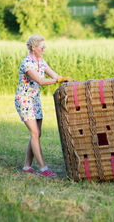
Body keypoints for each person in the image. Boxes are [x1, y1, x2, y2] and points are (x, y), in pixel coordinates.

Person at [15, 34, 72, 178]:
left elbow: (54, 75)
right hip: (24, 100)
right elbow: (40, 80)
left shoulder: (41, 61)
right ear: (34, 48)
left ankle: (27, 167)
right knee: (35, 134)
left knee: (37, 134)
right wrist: (58, 80)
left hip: (35, 100)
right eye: (42, 48)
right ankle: (43, 168)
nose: (44, 50)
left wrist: (66, 81)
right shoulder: (26, 63)